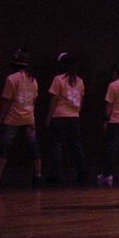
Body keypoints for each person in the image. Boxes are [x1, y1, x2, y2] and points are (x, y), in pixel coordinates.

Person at [0, 49, 42, 187]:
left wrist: (0, 120)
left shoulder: (11, 79)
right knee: (33, 146)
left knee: (5, 146)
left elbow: (6, 102)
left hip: (12, 119)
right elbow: (34, 100)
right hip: (29, 118)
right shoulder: (33, 80)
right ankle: (38, 175)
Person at [46, 53, 86, 184]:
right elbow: (81, 99)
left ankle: (57, 174)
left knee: (57, 145)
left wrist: (49, 117)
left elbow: (54, 99)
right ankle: (82, 173)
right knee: (76, 145)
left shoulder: (58, 79)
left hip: (59, 116)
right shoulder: (79, 81)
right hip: (74, 117)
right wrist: (77, 112)